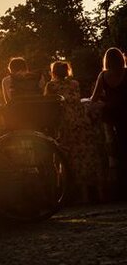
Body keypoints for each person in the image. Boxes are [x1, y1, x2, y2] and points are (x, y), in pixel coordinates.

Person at [45, 61, 106, 203]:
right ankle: (100, 193)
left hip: (66, 124)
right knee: (89, 155)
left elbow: (49, 107)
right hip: (81, 121)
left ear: (53, 72)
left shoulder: (51, 86)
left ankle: (81, 195)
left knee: (72, 158)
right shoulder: (75, 84)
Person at [90, 47, 127, 197]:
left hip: (112, 115)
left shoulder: (103, 76)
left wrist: (108, 99)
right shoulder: (126, 73)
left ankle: (120, 185)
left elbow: (94, 98)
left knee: (116, 148)